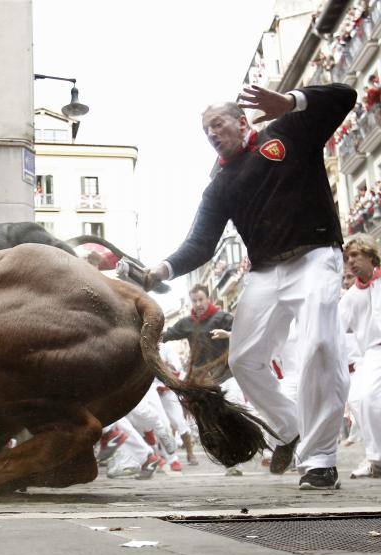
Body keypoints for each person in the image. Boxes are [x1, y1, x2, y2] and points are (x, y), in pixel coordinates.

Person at [145, 83, 356, 490]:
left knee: (319, 346)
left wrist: (291, 101)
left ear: (242, 122)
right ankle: (290, 427)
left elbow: (345, 95)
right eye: (205, 130)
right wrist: (162, 270)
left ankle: (319, 459)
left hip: (315, 255)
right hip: (264, 273)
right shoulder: (220, 184)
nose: (211, 133)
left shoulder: (289, 132)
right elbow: (200, 244)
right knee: (244, 360)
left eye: (217, 123)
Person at [162, 284, 232, 465]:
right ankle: (218, 448)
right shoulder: (187, 323)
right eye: (194, 301)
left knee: (227, 412)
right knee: (207, 415)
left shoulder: (222, 317)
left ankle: (232, 452)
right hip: (201, 379)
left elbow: (245, 332)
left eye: (201, 299)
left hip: (226, 376)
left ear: (208, 298)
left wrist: (228, 334)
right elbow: (166, 335)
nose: (198, 304)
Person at [339, 234, 381, 479]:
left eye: (355, 255)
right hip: (374, 352)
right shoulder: (350, 298)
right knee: (358, 397)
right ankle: (376, 458)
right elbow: (333, 328)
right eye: (346, 258)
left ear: (369, 254)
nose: (350, 262)